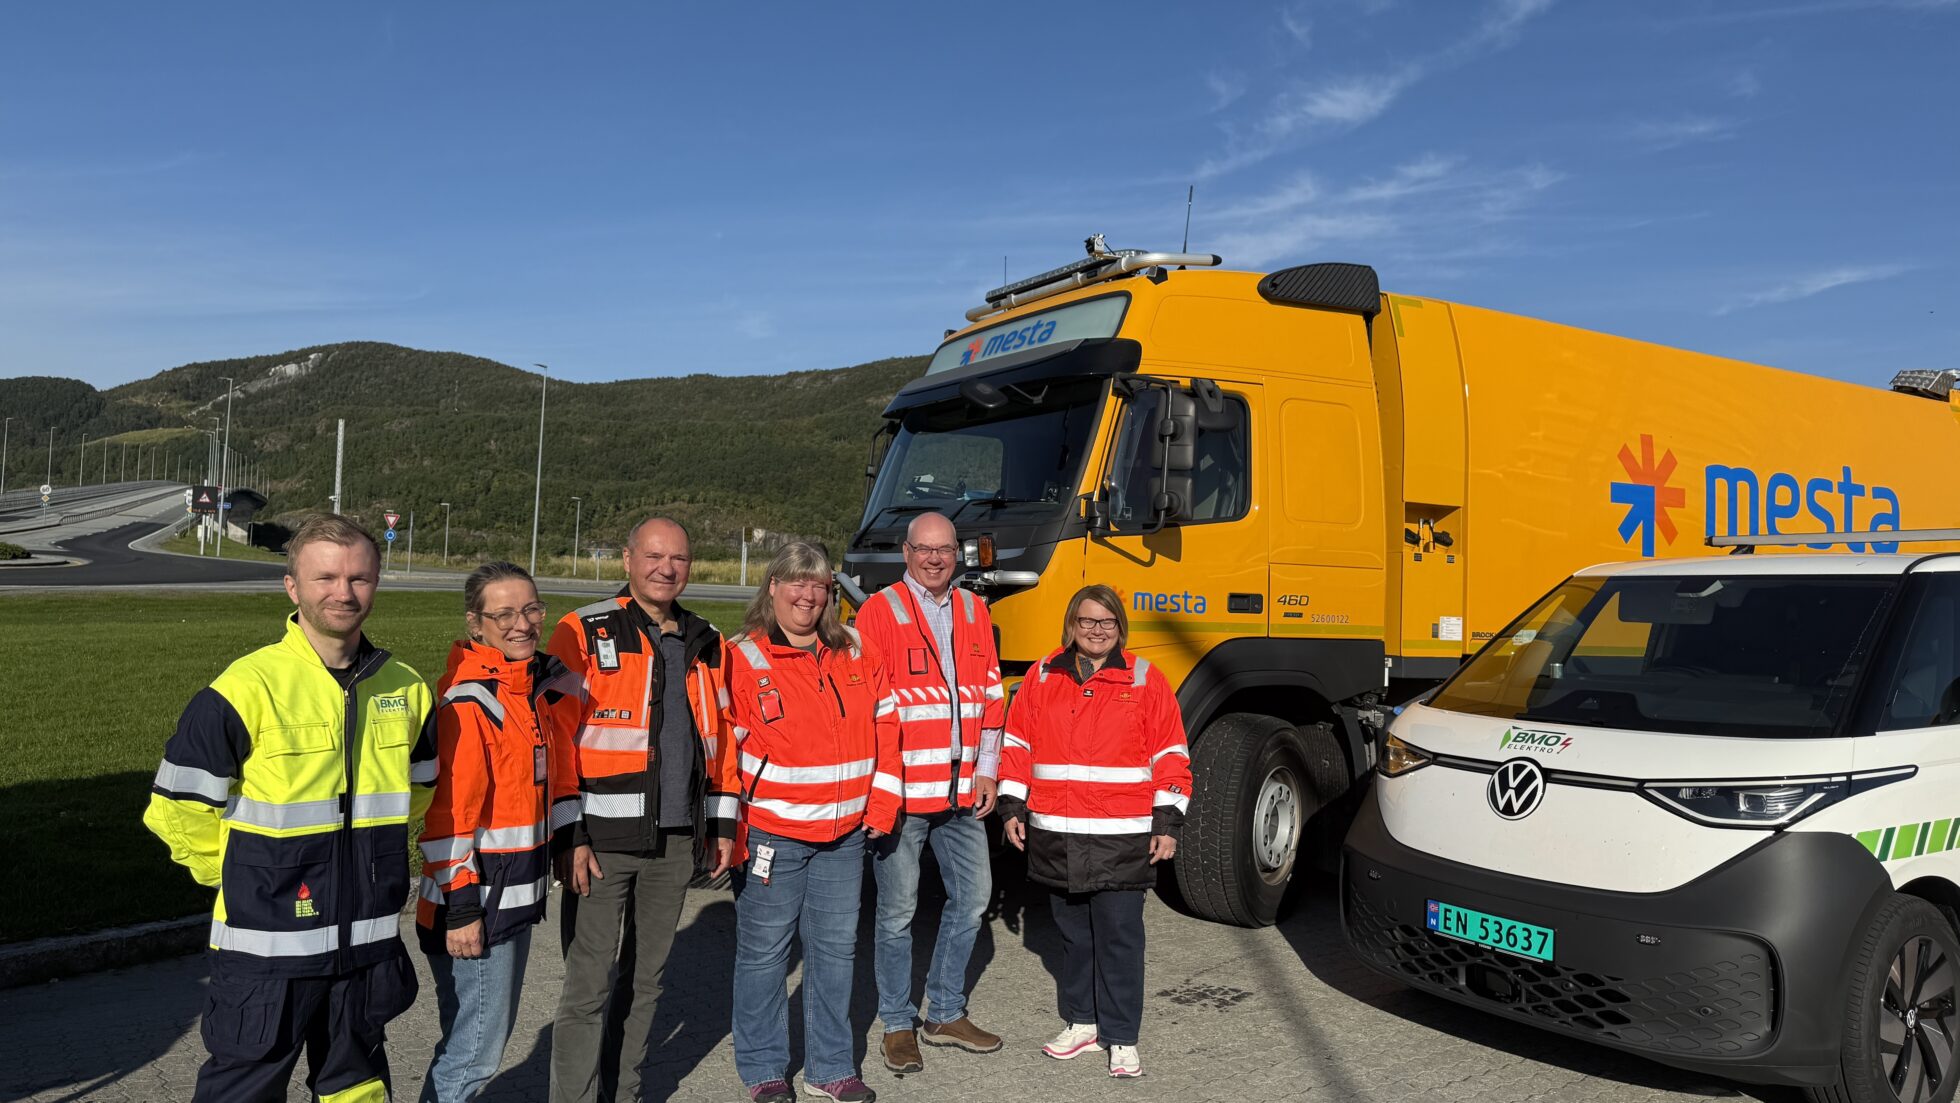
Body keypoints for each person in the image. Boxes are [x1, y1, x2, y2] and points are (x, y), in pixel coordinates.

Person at [143, 514, 437, 1103]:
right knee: (243, 1091)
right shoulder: (245, 687)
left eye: (358, 577)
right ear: (292, 587)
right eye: (325, 577)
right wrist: (239, 878)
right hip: (266, 956)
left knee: (357, 1089)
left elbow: (421, 789)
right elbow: (176, 807)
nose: (343, 592)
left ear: (376, 582)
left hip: (365, 948)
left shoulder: (405, 686)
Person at [546, 517, 740, 1103]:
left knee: (646, 983)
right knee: (588, 986)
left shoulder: (710, 640)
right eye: (653, 556)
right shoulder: (580, 630)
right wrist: (570, 831)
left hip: (677, 841)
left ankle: (622, 1092)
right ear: (628, 559)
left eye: (678, 558)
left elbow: (722, 741)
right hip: (601, 841)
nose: (666, 568)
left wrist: (722, 823)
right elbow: (557, 738)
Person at [724, 542, 902, 1103]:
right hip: (773, 835)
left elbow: (888, 726)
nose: (806, 595)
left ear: (829, 594)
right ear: (772, 587)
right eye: (795, 583)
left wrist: (882, 806)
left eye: (818, 585)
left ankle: (830, 1067)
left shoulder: (854, 648)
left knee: (834, 952)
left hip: (845, 836)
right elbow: (722, 755)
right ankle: (763, 1070)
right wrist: (728, 831)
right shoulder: (742, 658)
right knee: (764, 954)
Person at [997, 584, 1191, 1080]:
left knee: (1120, 940)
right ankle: (1082, 1023)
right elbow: (1017, 746)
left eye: (1106, 622)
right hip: (1057, 836)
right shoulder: (1042, 676)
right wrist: (1012, 805)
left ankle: (1122, 1037)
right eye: (1087, 622)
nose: (1097, 630)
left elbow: (1171, 755)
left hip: (1121, 839)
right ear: (1072, 625)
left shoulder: (1146, 680)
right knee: (1073, 938)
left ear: (1120, 628)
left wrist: (1167, 823)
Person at [415, 563, 581, 1102]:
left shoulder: (527, 692)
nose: (522, 624)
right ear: (475, 624)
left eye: (531, 609)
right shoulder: (472, 700)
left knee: (463, 1041)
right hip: (476, 907)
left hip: (505, 898)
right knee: (475, 1054)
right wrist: (463, 909)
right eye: (503, 614)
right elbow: (446, 819)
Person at [852, 512, 1007, 1073]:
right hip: (903, 794)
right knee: (896, 913)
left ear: (957, 554)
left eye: (945, 550)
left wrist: (988, 770)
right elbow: (867, 706)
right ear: (906, 552)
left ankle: (943, 1011)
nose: (936, 559)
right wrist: (878, 792)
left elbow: (990, 696)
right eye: (925, 550)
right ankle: (897, 1023)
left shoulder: (973, 609)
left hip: (963, 792)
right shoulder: (880, 611)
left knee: (973, 899)